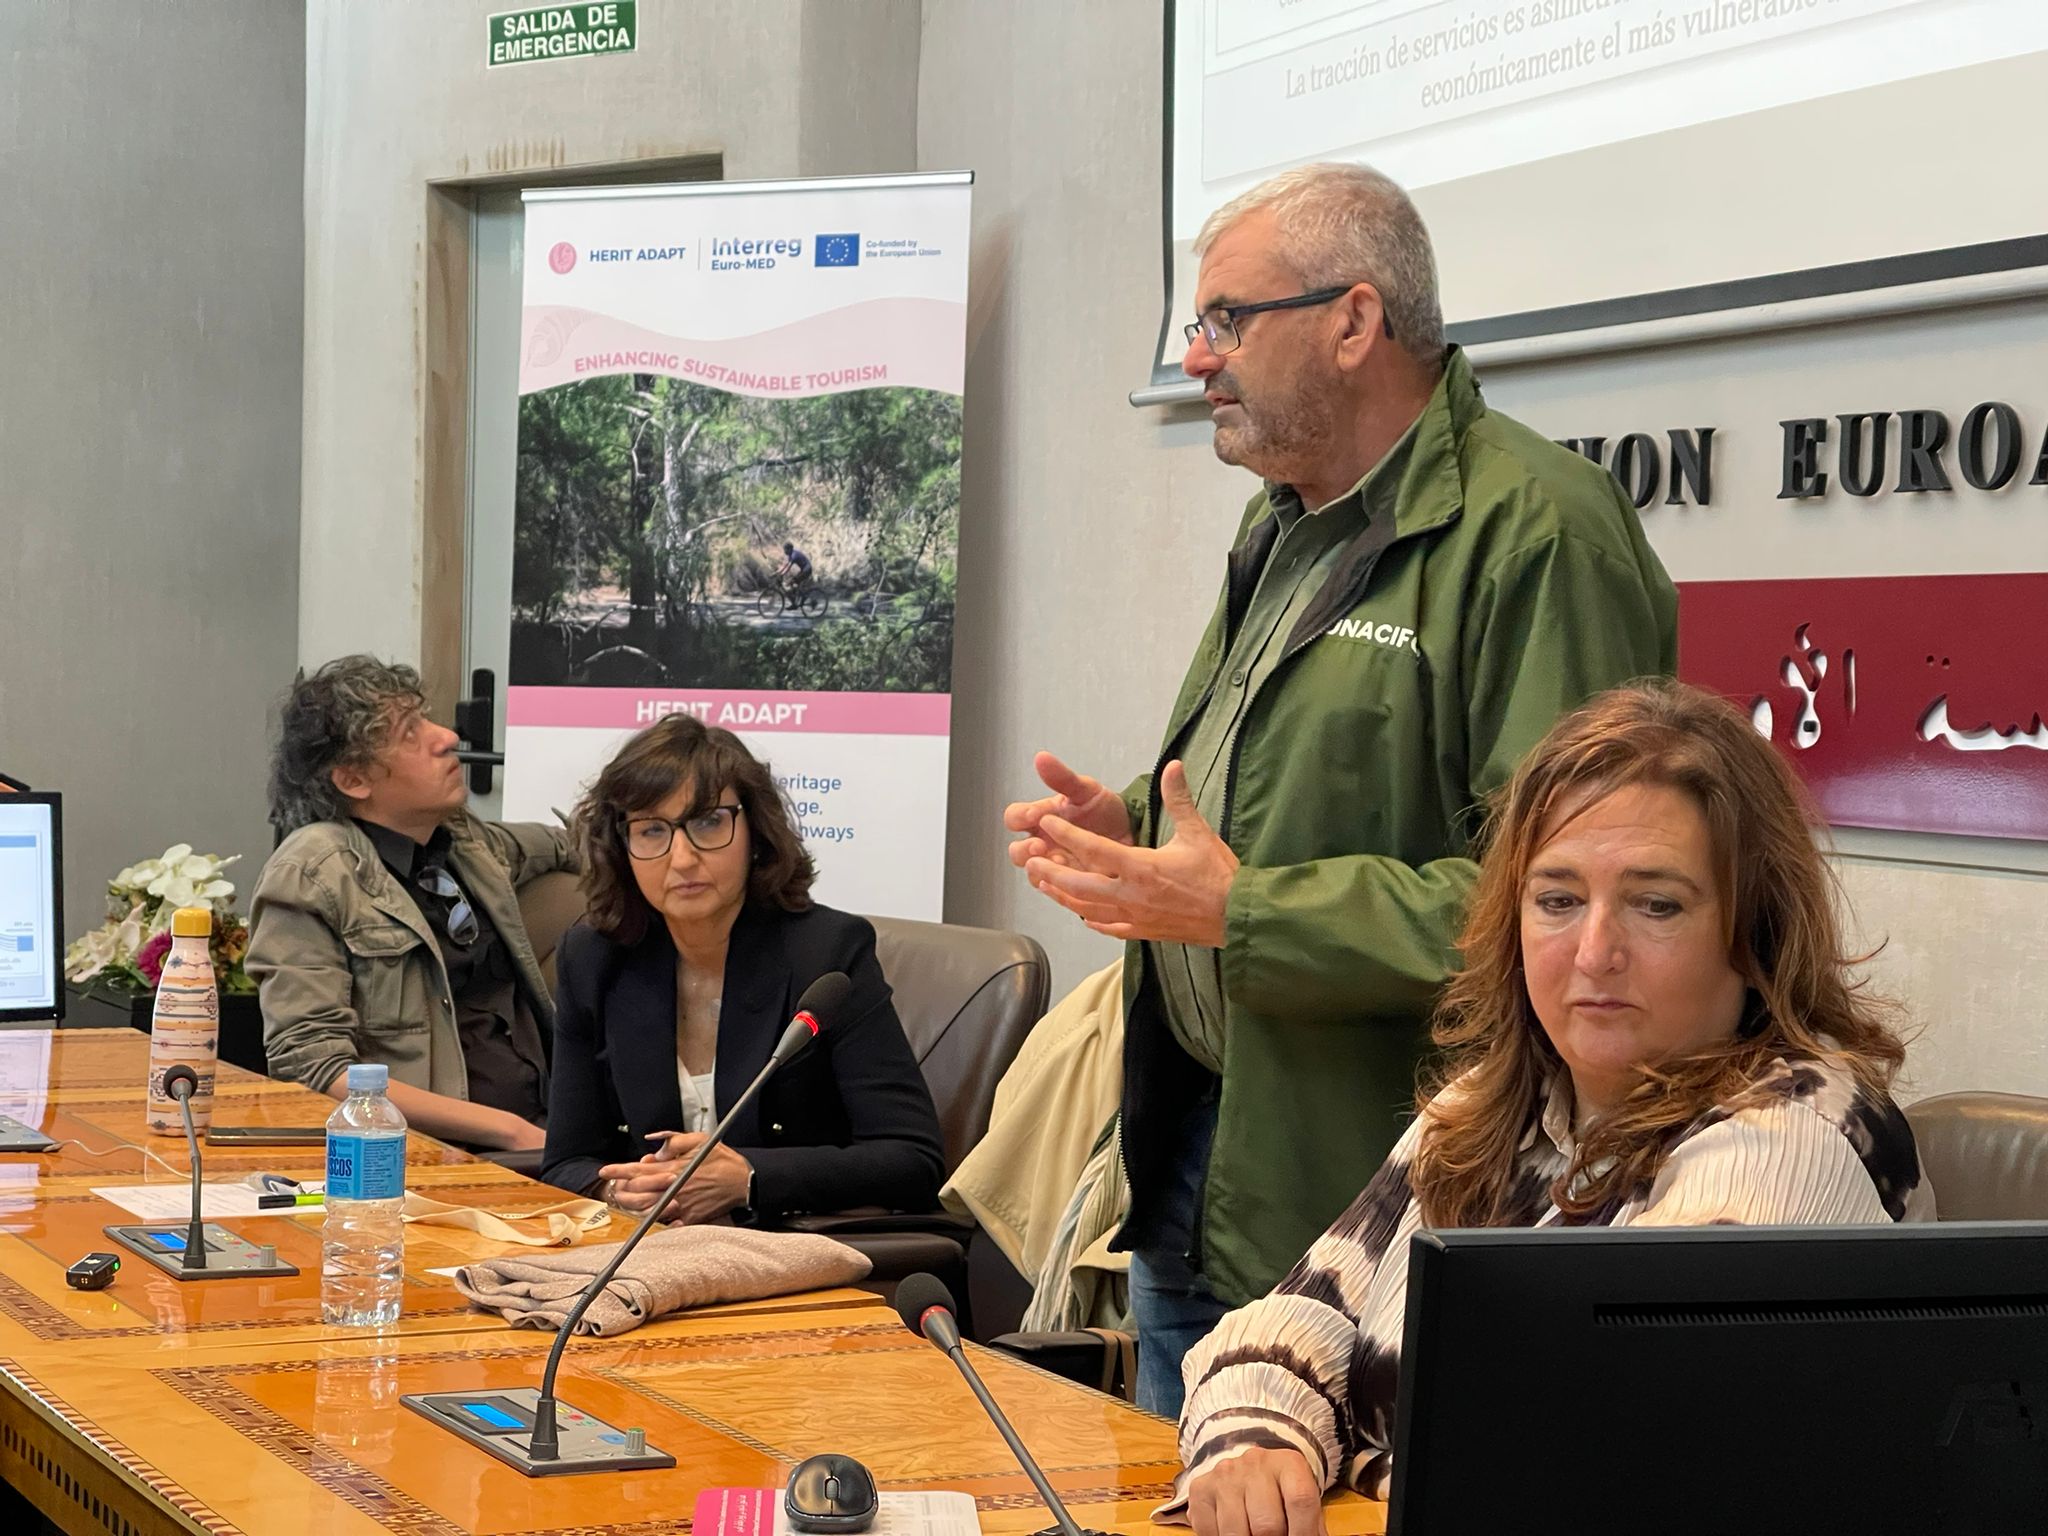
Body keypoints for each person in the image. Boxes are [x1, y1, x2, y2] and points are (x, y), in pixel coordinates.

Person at [1003, 162, 1678, 1413]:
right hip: (1201, 1165)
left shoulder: (1538, 532)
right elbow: (1289, 799)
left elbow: (1574, 910)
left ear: (1353, 321)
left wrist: (1243, 913)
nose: (1196, 359)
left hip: (1377, 1206)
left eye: (1224, 320)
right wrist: (1133, 832)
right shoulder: (1282, 523)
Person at [1167, 682, 1932, 1532]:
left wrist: (1353, 1453)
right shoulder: (1493, 1105)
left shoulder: (1793, 1136)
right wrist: (1257, 1441)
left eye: (1656, 904)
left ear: (1757, 933)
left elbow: (1581, 1450)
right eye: (1558, 900)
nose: (1595, 952)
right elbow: (1298, 1317)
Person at [541, 714, 945, 1224]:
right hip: (647, 1249)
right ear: (622, 850)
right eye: (652, 831)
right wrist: (618, 1191)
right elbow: (566, 1162)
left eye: (709, 822)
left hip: (790, 1250)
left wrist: (749, 1178)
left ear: (755, 832)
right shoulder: (594, 958)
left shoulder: (827, 953)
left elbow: (914, 1159)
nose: (682, 858)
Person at [248, 656, 573, 1153]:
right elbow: (317, 1070)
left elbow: (573, 844)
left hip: (553, 1129)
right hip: (438, 1154)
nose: (446, 737)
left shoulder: (464, 841)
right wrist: (511, 1132)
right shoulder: (313, 874)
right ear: (354, 780)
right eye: (409, 733)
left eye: (426, 719)